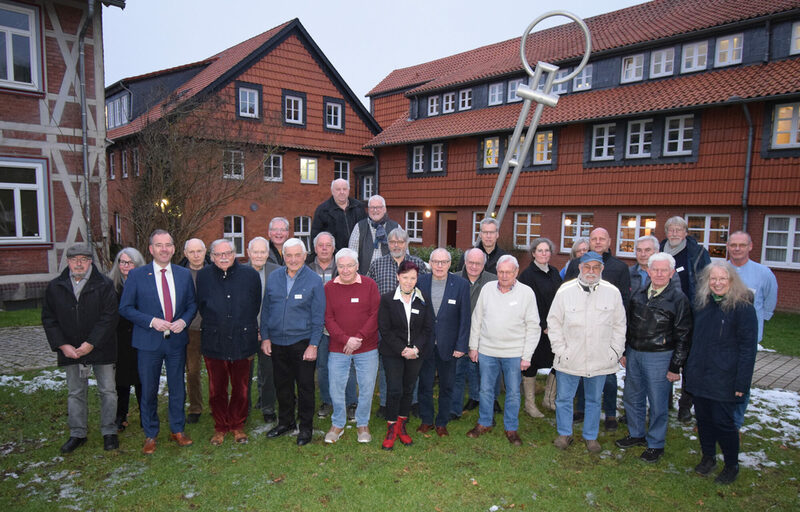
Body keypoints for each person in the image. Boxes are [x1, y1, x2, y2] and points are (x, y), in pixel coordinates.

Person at [119, 229, 197, 454]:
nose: (164, 249)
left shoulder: (183, 274)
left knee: (177, 387)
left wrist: (183, 320)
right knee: (149, 389)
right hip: (148, 342)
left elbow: (192, 304)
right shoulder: (137, 275)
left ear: (174, 248)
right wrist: (151, 321)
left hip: (176, 341)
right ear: (151, 249)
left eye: (168, 245)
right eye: (159, 245)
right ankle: (150, 434)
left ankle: (177, 430)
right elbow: (125, 308)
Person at [42, 243, 119, 453]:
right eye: (74, 260)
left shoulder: (104, 285)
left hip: (101, 348)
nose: (79, 263)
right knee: (76, 392)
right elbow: (49, 319)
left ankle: (109, 431)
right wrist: (62, 345)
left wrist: (90, 343)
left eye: (83, 259)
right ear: (67, 261)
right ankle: (77, 433)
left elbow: (109, 318)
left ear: (90, 261)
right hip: (71, 350)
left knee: (108, 391)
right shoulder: (56, 287)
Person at [685, 262, 757, 484]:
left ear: (731, 281)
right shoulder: (702, 305)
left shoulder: (743, 308)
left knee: (723, 423)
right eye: (713, 279)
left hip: (725, 377)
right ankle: (708, 457)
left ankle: (731, 465)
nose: (717, 283)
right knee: (704, 419)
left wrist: (741, 384)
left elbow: (748, 349)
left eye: (722, 279)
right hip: (700, 374)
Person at [616, 252, 691, 463]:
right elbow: (628, 325)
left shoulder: (678, 299)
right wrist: (624, 351)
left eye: (663, 270)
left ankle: (656, 443)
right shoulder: (638, 294)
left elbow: (684, 335)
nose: (658, 274)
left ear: (671, 272)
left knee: (658, 403)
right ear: (648, 271)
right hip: (635, 353)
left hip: (660, 356)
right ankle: (636, 433)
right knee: (633, 397)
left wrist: (676, 366)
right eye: (655, 269)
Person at [548, 251, 626, 453]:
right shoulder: (565, 291)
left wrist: (615, 351)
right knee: (564, 398)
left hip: (600, 357)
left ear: (602, 269)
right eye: (587, 267)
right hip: (569, 357)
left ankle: (590, 436)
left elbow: (620, 325)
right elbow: (554, 322)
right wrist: (560, 349)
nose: (591, 271)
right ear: (580, 268)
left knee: (593, 399)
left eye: (596, 267)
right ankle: (565, 433)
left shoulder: (612, 292)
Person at [466, 255, 540, 446]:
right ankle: (484, 422)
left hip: (514, 353)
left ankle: (511, 428)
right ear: (496, 271)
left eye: (508, 272)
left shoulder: (527, 293)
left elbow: (533, 325)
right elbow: (477, 319)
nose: (504, 275)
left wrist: (527, 356)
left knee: (514, 392)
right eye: (500, 271)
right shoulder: (488, 289)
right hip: (487, 350)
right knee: (485, 390)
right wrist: (474, 346)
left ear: (516, 272)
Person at [196, 239, 262, 445]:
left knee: (241, 388)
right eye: (218, 254)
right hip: (214, 340)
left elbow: (255, 304)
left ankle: (237, 424)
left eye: (228, 253)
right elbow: (201, 304)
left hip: (242, 339)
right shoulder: (204, 276)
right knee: (217, 388)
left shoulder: (250, 275)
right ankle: (220, 426)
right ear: (212, 256)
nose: (223, 257)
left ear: (235, 254)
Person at [565, 227, 630, 431]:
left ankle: (610, 413)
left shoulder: (619, 267)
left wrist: (620, 341)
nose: (598, 241)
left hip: (606, 332)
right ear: (589, 241)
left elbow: (625, 304)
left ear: (610, 241)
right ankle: (581, 408)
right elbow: (566, 295)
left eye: (602, 238)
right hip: (580, 330)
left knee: (608, 376)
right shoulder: (576, 264)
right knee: (583, 373)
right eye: (594, 238)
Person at [261, 238, 325, 446]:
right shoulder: (274, 277)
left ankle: (305, 427)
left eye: (298, 255)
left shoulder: (314, 280)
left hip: (303, 342)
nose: (293, 259)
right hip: (277, 342)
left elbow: (318, 316)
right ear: (283, 256)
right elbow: (267, 309)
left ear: (305, 256)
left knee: (305, 387)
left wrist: (313, 344)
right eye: (289, 255)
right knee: (283, 386)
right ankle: (286, 422)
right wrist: (266, 337)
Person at [366, 227, 428, 417]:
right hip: (387, 326)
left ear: (406, 244)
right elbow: (370, 291)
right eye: (392, 241)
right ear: (387, 244)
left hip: (412, 325)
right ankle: (386, 403)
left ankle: (412, 403)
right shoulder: (377, 264)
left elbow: (424, 292)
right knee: (388, 367)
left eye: (400, 242)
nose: (396, 245)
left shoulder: (418, 263)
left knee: (412, 366)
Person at [323, 248, 381, 444]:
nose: (345, 270)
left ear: (357, 266)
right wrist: (345, 340)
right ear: (336, 266)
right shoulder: (329, 287)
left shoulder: (369, 285)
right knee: (336, 386)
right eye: (341, 266)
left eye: (350, 266)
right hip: (339, 347)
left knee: (366, 386)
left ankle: (362, 423)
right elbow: (328, 318)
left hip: (367, 347)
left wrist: (358, 338)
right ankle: (337, 423)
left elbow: (375, 315)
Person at [660, 216, 711, 423]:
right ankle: (665, 400)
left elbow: (705, 282)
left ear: (685, 233)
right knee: (665, 357)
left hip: (690, 313)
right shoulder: (659, 250)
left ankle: (685, 405)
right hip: (663, 313)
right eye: (670, 229)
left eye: (678, 230)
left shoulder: (697, 253)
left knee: (688, 360)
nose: (674, 233)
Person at [378, 260, 433, 450]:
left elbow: (428, 328)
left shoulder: (423, 299)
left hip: (416, 353)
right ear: (398, 277)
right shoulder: (387, 300)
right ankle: (391, 427)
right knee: (395, 390)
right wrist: (403, 349)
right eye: (405, 277)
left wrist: (415, 349)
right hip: (393, 352)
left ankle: (402, 426)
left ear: (417, 279)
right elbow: (385, 330)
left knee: (409, 389)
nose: (409, 282)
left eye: (413, 278)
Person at [727, 231, 778, 429]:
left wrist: (757, 324)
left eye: (741, 245)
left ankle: (736, 421)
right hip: (722, 336)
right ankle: (718, 417)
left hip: (746, 339)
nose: (737, 249)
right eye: (733, 245)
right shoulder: (720, 270)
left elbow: (769, 304)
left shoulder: (763, 273)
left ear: (750, 246)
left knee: (741, 379)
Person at [416, 248, 470, 436]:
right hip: (425, 345)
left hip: (450, 346)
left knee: (447, 385)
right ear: (429, 263)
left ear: (450, 264)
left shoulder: (461, 285)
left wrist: (461, 346)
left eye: (444, 262)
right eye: (436, 262)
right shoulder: (420, 282)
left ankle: (442, 422)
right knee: (425, 384)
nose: (439, 266)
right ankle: (426, 420)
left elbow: (465, 319)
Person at [308, 231, 357, 420]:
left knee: (348, 365)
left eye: (328, 245)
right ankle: (327, 401)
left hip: (342, 327)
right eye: (320, 245)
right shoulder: (308, 269)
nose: (324, 248)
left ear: (333, 248)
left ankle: (351, 401)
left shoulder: (343, 268)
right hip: (318, 328)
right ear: (315, 248)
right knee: (322, 366)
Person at [518, 237, 562, 417]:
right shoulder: (528, 275)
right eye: (540, 250)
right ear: (533, 253)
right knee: (532, 363)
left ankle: (549, 399)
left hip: (555, 327)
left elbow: (559, 299)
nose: (544, 254)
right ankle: (530, 404)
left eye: (547, 250)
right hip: (537, 328)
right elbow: (528, 303)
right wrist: (542, 324)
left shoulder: (554, 272)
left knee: (559, 361)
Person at [451, 248, 497, 419]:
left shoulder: (492, 281)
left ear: (484, 264)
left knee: (482, 371)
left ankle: (482, 400)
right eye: (470, 262)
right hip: (459, 334)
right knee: (458, 372)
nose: (473, 266)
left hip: (484, 334)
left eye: (478, 263)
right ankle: (456, 408)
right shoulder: (454, 278)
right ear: (464, 261)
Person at [108, 247, 146, 432]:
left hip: (140, 336)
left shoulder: (146, 282)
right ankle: (120, 416)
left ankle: (145, 415)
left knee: (141, 380)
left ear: (137, 264)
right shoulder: (110, 284)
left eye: (130, 262)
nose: (125, 266)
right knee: (121, 381)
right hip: (119, 338)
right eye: (122, 262)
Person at [246, 236, 280, 424]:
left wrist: (266, 330)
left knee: (269, 373)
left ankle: (268, 407)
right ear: (249, 253)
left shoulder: (277, 272)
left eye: (263, 252)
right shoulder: (240, 272)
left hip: (270, 331)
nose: (259, 255)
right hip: (247, 331)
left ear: (268, 253)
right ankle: (244, 408)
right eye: (255, 252)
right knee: (244, 374)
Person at [179, 238, 207, 424]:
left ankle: (216, 405)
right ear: (185, 253)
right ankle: (195, 407)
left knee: (216, 372)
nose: (196, 255)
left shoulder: (214, 271)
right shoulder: (179, 274)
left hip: (212, 328)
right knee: (193, 371)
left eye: (199, 251)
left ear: (205, 251)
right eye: (192, 252)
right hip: (190, 330)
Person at [311, 178, 366, 253]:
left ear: (348, 191)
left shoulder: (359, 207)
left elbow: (366, 231)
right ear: (332, 191)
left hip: (357, 254)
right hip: (334, 257)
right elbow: (315, 237)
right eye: (338, 189)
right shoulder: (323, 210)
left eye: (344, 189)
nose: (342, 192)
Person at [349, 195, 399, 275]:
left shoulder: (395, 227)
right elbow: (351, 254)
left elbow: (404, 253)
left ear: (384, 209)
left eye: (378, 207)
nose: (375, 210)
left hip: (389, 277)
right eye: (372, 207)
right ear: (368, 210)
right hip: (365, 276)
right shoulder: (359, 227)